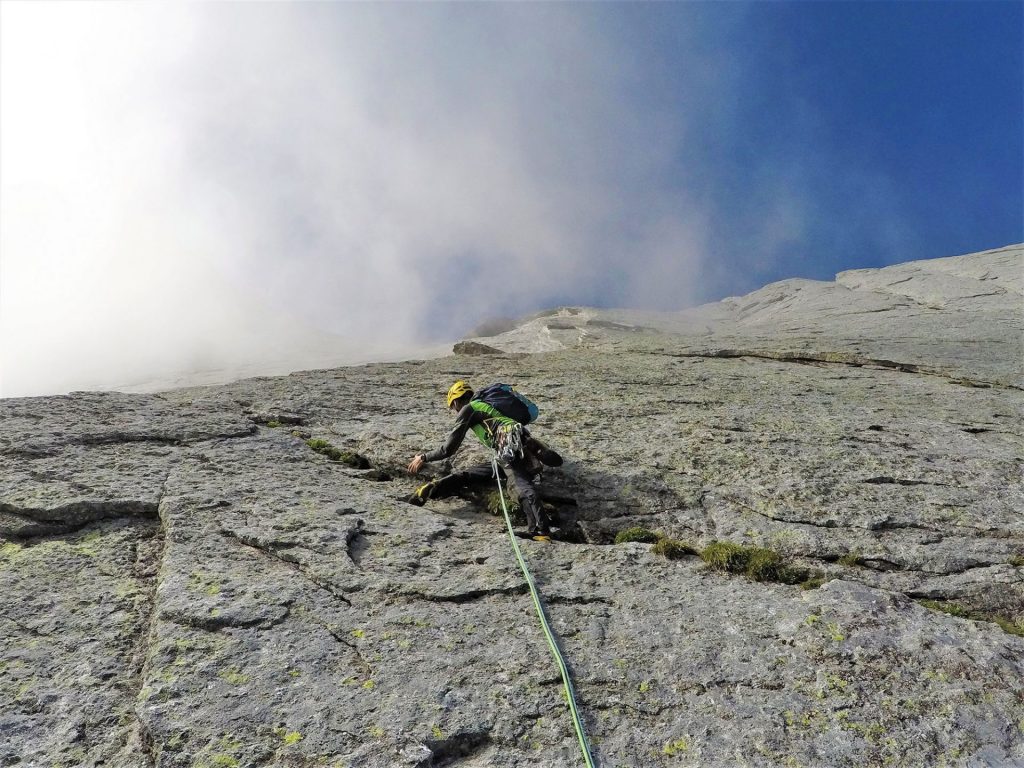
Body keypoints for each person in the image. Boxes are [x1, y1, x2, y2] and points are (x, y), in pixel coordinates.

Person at [407, 381, 562, 539]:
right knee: (475, 473)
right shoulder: (487, 406)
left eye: (453, 407)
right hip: (516, 443)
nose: (455, 411)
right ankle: (435, 488)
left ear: (455, 401)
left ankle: (541, 530)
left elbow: (448, 449)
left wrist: (424, 457)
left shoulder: (469, 409)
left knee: (517, 484)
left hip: (508, 446)